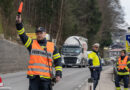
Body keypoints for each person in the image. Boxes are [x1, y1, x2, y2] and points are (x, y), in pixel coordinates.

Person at [16, 15, 62, 90]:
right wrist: (19, 23)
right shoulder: (31, 44)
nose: (39, 35)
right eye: (37, 33)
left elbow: (58, 61)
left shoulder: (52, 46)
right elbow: (22, 35)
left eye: (41, 33)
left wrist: (58, 74)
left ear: (45, 34)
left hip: (46, 79)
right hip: (34, 79)